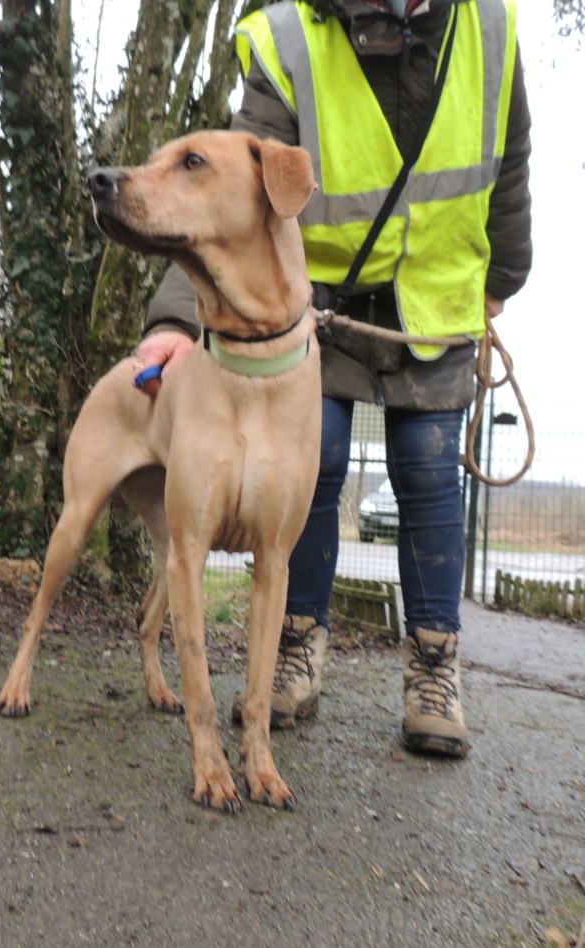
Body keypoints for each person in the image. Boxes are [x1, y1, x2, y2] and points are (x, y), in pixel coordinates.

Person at [134, 0, 532, 758]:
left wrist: (504, 274)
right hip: (323, 300)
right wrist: (175, 323)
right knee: (317, 463)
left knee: (427, 469)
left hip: (438, 297)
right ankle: (295, 644)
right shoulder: (290, 39)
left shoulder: (489, 26)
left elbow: (508, 161)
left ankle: (433, 669)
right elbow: (222, 195)